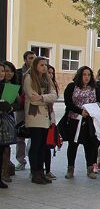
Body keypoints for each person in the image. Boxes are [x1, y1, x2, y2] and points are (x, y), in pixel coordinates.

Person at [22, 56, 58, 184]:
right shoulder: (29, 78)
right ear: (35, 66)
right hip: (35, 117)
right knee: (36, 146)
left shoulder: (47, 79)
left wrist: (42, 97)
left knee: (43, 147)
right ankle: (35, 172)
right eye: (41, 65)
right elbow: (33, 99)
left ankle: (41, 172)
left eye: (45, 65)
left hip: (46, 118)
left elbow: (54, 95)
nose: (44, 67)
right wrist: (46, 99)